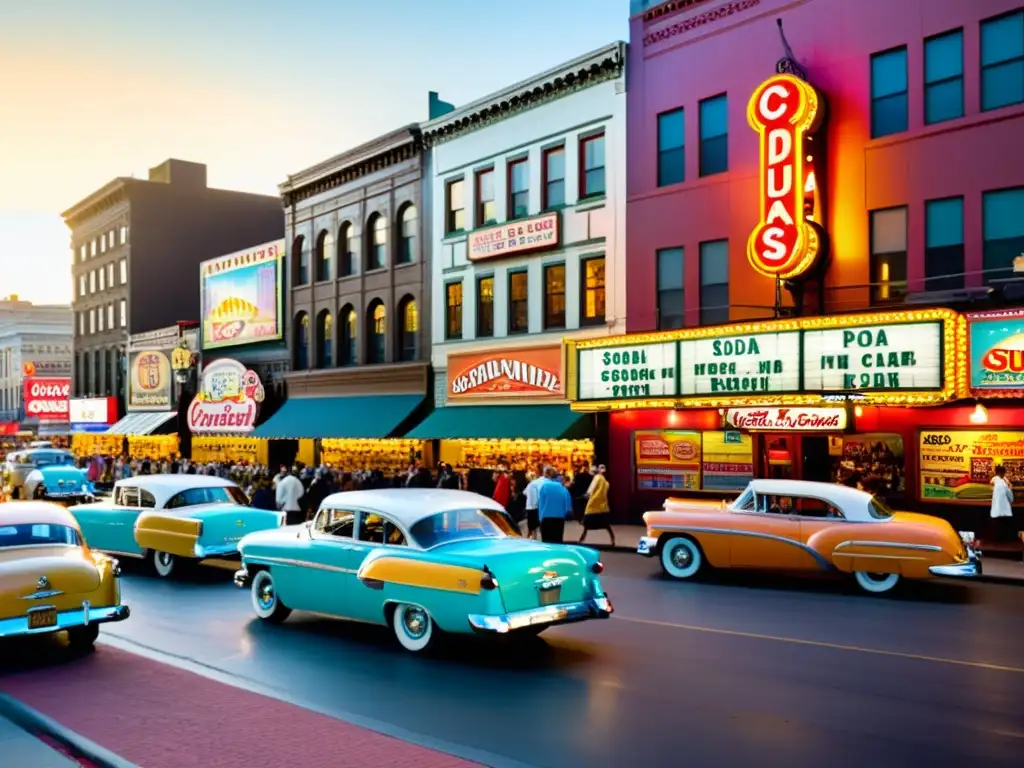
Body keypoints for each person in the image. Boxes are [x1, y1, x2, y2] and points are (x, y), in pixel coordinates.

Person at [579, 464, 615, 546]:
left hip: (593, 503)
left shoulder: (597, 478)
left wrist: (586, 495)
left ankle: (581, 538)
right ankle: (612, 539)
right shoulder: (606, 482)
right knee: (606, 524)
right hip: (602, 505)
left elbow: (592, 488)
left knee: (587, 523)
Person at [537, 467, 573, 544]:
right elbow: (568, 505)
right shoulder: (563, 488)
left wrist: (540, 519)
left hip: (546, 518)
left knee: (546, 542)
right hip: (559, 518)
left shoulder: (544, 487)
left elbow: (541, 504)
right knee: (558, 541)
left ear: (547, 476)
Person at [990, 464, 1015, 542]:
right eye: (1004, 473)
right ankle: (1003, 541)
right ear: (1002, 473)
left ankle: (997, 540)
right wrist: (1011, 499)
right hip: (1004, 509)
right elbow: (1010, 495)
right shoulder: (1003, 483)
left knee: (997, 526)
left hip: (996, 509)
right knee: (1004, 526)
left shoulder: (995, 480)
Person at [523, 468, 545, 540]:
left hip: (531, 507)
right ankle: (543, 540)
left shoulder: (532, 483)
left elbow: (524, 493)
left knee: (532, 528)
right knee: (540, 525)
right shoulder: (544, 482)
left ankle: (534, 540)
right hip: (539, 506)